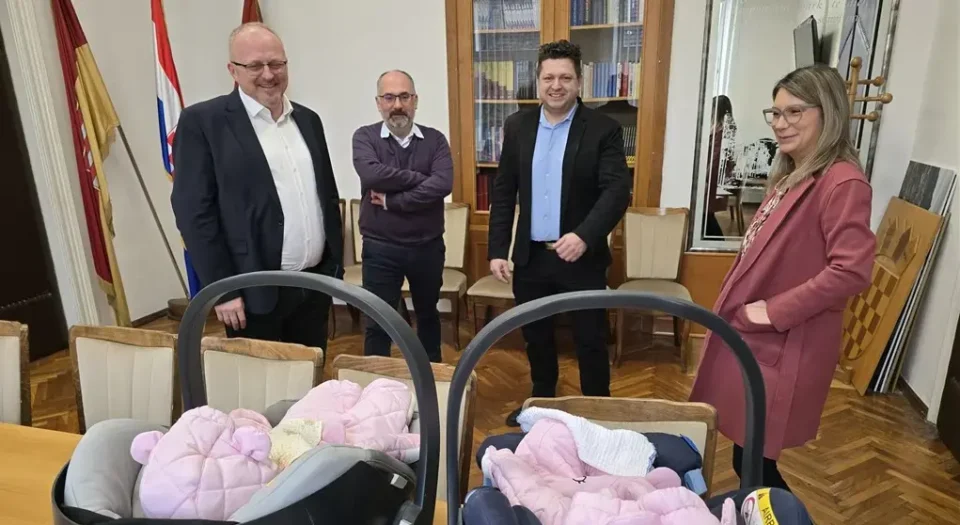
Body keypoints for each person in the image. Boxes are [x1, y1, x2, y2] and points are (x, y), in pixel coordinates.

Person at [689, 64, 876, 491]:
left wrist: (774, 310)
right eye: (775, 113)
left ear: (828, 112)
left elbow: (851, 270)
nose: (780, 123)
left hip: (785, 340)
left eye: (794, 112)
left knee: (755, 464)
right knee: (748, 457)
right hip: (758, 338)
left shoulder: (842, 182)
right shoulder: (794, 173)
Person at [171, 22, 344, 349]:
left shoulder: (308, 120)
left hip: (315, 285)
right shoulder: (203, 122)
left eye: (276, 63)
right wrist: (223, 289)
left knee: (312, 377)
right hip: (250, 294)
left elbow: (326, 195)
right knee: (259, 380)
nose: (268, 74)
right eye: (255, 66)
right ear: (233, 70)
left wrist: (333, 267)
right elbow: (194, 214)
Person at [487, 40, 632, 426]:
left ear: (579, 82)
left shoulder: (603, 129)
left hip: (580, 258)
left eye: (565, 78)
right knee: (536, 337)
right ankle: (541, 405)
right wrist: (498, 248)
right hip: (531, 257)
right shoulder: (517, 126)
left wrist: (584, 235)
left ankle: (598, 413)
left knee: (590, 339)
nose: (556, 85)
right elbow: (504, 191)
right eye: (549, 77)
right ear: (538, 82)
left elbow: (617, 191)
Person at [352, 70, 454, 363]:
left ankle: (431, 379)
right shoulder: (365, 137)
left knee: (428, 316)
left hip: (427, 247)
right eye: (389, 97)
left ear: (415, 100)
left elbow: (443, 184)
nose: (397, 104)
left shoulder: (435, 140)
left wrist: (392, 201)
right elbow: (372, 175)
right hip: (380, 249)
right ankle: (376, 383)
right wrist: (422, 179)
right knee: (378, 321)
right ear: (378, 103)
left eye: (404, 96)